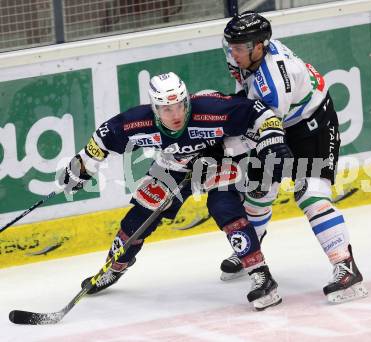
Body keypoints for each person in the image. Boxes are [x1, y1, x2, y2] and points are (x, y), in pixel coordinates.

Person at [57, 72, 292, 310]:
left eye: (180, 106)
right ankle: (113, 269)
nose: (176, 114)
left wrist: (250, 143)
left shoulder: (211, 109)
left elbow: (260, 113)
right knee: (140, 216)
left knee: (223, 206)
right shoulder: (139, 122)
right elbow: (103, 137)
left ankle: (262, 276)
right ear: (155, 108)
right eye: (167, 109)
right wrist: (82, 167)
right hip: (173, 163)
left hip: (218, 158)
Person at [220, 11, 368, 303]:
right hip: (280, 122)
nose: (232, 53)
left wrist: (226, 146)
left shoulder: (274, 83)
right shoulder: (243, 55)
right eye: (232, 46)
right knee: (258, 188)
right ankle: (252, 249)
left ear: (258, 46)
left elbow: (263, 130)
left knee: (309, 193)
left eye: (238, 47)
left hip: (313, 127)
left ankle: (346, 267)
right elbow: (245, 95)